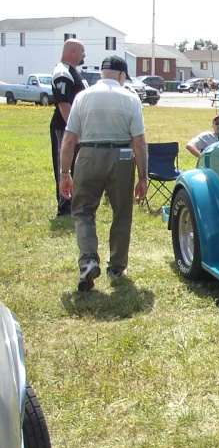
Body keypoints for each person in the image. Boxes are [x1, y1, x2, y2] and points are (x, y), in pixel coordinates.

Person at [59, 56, 148, 291]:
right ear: (121, 75)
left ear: (102, 73)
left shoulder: (82, 97)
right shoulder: (130, 98)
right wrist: (142, 177)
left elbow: (69, 140)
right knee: (121, 212)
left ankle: (88, 259)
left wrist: (64, 172)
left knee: (83, 211)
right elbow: (139, 142)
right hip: (121, 156)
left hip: (88, 154)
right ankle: (117, 266)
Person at [50, 39, 87, 217]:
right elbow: (64, 104)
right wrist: (74, 130)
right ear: (72, 52)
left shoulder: (73, 72)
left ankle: (74, 203)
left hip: (75, 128)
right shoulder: (62, 72)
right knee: (64, 165)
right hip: (64, 128)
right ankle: (64, 207)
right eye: (82, 51)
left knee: (76, 165)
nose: (84, 55)